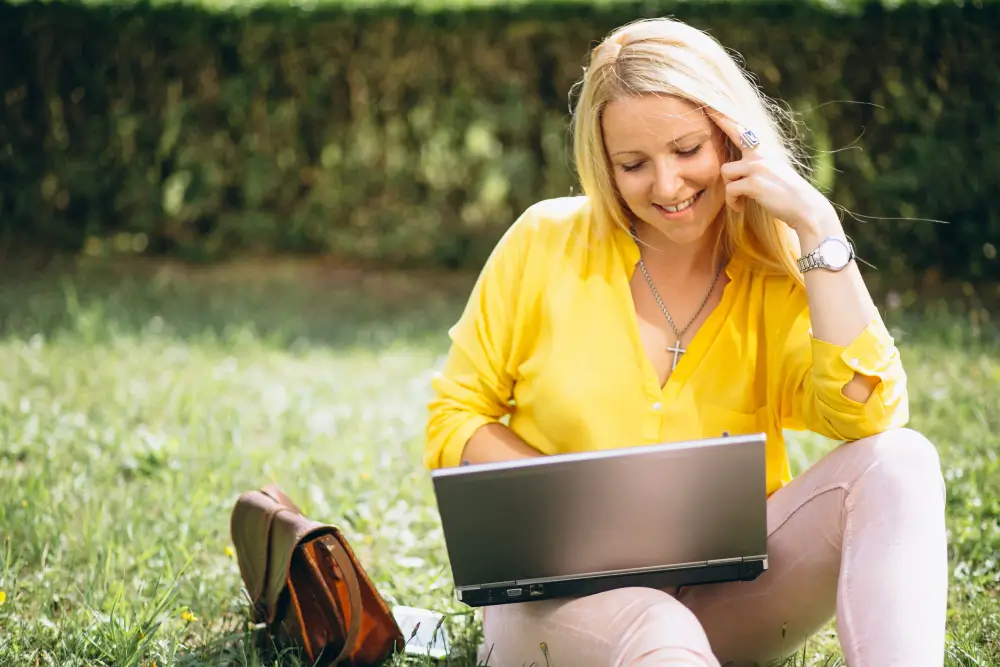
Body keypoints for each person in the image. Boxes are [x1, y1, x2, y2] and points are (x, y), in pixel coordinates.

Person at [423, 17, 947, 667]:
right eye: (633, 164)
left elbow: (866, 414)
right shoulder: (544, 242)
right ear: (603, 163)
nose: (667, 186)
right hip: (558, 603)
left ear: (734, 138)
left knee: (901, 462)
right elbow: (455, 416)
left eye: (687, 150)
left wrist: (818, 228)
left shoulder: (776, 273)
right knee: (657, 626)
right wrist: (580, 505)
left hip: (726, 593)